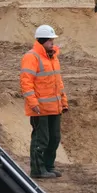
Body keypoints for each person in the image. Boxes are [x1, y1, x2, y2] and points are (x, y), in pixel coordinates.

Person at [20, 24, 68, 180]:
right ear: (42, 40)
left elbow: (58, 83)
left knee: (54, 138)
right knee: (41, 139)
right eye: (50, 40)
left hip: (54, 107)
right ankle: (38, 169)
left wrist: (63, 101)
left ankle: (48, 166)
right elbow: (26, 82)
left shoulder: (53, 57)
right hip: (39, 108)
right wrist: (33, 103)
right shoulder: (31, 57)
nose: (52, 43)